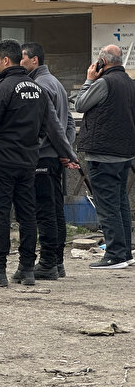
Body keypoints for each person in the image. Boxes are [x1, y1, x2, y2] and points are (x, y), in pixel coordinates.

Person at [0, 40, 77, 287]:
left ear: (5, 60)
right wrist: (66, 153)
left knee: (0, 215)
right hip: (29, 162)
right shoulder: (37, 88)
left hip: (1, 162)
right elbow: (51, 126)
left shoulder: (2, 88)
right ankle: (27, 269)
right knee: (28, 216)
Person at [75, 44, 135, 270]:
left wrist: (89, 80)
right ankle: (125, 251)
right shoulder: (129, 83)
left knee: (107, 206)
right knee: (120, 204)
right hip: (124, 153)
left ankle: (115, 255)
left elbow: (80, 104)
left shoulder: (103, 83)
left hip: (103, 153)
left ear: (103, 62)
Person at [20, 42, 76, 279]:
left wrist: (63, 151)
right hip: (54, 156)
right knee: (54, 210)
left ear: (34, 60)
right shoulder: (55, 83)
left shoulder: (39, 86)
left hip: (43, 156)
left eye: (22, 57)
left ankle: (48, 263)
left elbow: (50, 126)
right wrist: (65, 150)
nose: (19, 62)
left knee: (45, 212)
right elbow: (69, 122)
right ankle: (57, 262)